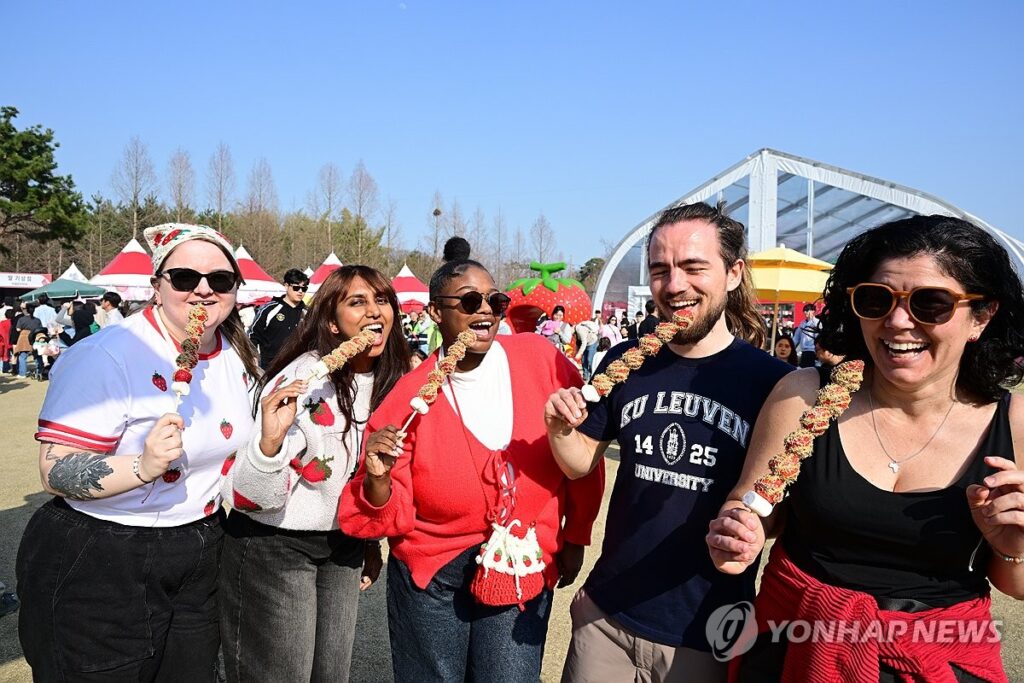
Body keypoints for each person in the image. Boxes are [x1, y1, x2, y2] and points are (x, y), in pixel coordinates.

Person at [707, 215, 1024, 681]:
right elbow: (755, 506)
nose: (897, 322)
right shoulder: (805, 395)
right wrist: (742, 531)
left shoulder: (1014, 424)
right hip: (793, 651)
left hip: (939, 660)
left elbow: (1014, 583)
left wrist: (1013, 547)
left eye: (930, 303)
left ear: (981, 316)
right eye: (876, 299)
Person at [544, 201, 793, 682]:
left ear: (734, 273)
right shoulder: (626, 360)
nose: (674, 285)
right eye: (660, 270)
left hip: (706, 632)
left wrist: (756, 530)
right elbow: (579, 463)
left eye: (693, 267)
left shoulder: (776, 385)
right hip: (607, 620)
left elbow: (779, 513)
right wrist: (559, 428)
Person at [339, 237, 605, 682]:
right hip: (433, 569)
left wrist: (575, 534)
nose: (486, 311)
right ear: (434, 313)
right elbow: (386, 506)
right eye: (469, 300)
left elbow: (581, 456)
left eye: (494, 300)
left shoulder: (543, 361)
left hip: (522, 558)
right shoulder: (408, 397)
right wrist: (378, 479)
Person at [16, 223, 259, 681]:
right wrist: (142, 465)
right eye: (185, 278)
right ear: (157, 286)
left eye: (220, 280)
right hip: (103, 550)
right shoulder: (108, 353)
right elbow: (55, 469)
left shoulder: (235, 354)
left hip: (201, 546)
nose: (204, 291)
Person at [219, 265, 410, 682]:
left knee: (331, 673)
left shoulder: (394, 382)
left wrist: (370, 541)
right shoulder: (302, 378)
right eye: (357, 302)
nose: (374, 312)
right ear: (330, 321)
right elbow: (250, 496)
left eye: (382, 301)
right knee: (282, 673)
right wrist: (269, 443)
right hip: (275, 542)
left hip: (344, 543)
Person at [250, 268, 309, 369]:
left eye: (304, 289)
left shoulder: (307, 313)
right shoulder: (269, 309)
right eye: (296, 288)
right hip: (269, 366)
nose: (300, 291)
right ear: (286, 286)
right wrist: (252, 356)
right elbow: (253, 335)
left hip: (296, 366)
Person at [574, 312, 600, 381]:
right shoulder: (575, 332)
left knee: (589, 359)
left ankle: (593, 376)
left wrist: (579, 353)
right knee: (583, 360)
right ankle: (585, 376)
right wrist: (576, 354)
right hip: (586, 343)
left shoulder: (579, 330)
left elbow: (584, 342)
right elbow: (578, 343)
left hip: (592, 342)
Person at [792, 302, 819, 367]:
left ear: (813, 311)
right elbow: (796, 338)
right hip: (804, 352)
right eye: (804, 311)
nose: (805, 312)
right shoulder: (802, 323)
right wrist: (791, 347)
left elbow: (818, 338)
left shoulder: (817, 322)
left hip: (813, 352)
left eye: (807, 310)